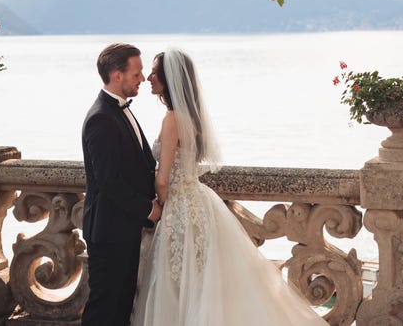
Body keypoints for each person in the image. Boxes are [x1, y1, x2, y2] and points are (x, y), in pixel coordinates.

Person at [131, 48, 328, 326]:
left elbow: (163, 179)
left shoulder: (172, 119)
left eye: (154, 72)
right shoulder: (190, 118)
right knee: (203, 280)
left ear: (169, 79)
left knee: (177, 281)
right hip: (198, 201)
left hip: (178, 207)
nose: (149, 77)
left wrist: (159, 205)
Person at [82, 43, 162, 326]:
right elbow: (109, 182)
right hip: (108, 232)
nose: (142, 78)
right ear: (118, 75)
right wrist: (147, 209)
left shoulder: (118, 111)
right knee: (104, 310)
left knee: (121, 309)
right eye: (137, 72)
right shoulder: (101, 119)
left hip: (122, 229)